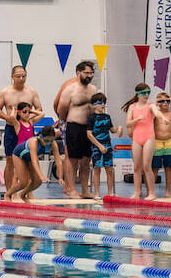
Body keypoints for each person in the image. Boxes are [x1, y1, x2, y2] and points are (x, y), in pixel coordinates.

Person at [0, 65, 44, 197]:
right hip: (11, 128)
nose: (21, 78)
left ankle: (28, 192)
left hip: (26, 129)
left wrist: (29, 119)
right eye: (18, 76)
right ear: (12, 77)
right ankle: (9, 191)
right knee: (10, 160)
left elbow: (39, 108)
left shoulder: (31, 92)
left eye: (24, 76)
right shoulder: (5, 92)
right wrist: (7, 118)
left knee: (28, 160)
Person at [57, 60, 98, 198]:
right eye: (86, 73)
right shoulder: (70, 90)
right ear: (78, 73)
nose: (89, 75)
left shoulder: (93, 89)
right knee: (72, 159)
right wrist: (68, 122)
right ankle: (71, 189)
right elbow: (61, 109)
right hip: (74, 126)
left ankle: (85, 190)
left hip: (89, 128)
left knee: (86, 160)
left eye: (91, 73)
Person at [9, 118, 64, 203]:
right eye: (47, 140)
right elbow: (35, 160)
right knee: (23, 182)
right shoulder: (34, 142)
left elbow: (58, 161)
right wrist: (41, 175)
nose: (48, 143)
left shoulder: (53, 144)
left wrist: (60, 177)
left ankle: (23, 194)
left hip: (29, 158)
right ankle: (8, 195)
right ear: (40, 137)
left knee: (37, 182)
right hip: (19, 156)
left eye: (51, 140)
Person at [123, 84, 157, 200]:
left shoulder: (151, 105)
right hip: (137, 138)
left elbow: (157, 113)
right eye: (144, 93)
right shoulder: (132, 107)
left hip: (149, 137)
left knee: (147, 166)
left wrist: (162, 118)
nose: (146, 95)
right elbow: (128, 123)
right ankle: (137, 192)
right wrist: (137, 119)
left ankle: (152, 193)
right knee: (137, 167)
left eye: (148, 92)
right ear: (138, 94)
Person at [86, 93, 123, 197]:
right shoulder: (91, 118)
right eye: (100, 102)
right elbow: (89, 134)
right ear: (94, 105)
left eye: (104, 102)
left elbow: (112, 129)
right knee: (97, 169)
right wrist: (99, 146)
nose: (103, 104)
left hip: (107, 146)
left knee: (109, 169)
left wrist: (119, 129)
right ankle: (97, 193)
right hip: (96, 147)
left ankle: (110, 193)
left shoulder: (107, 117)